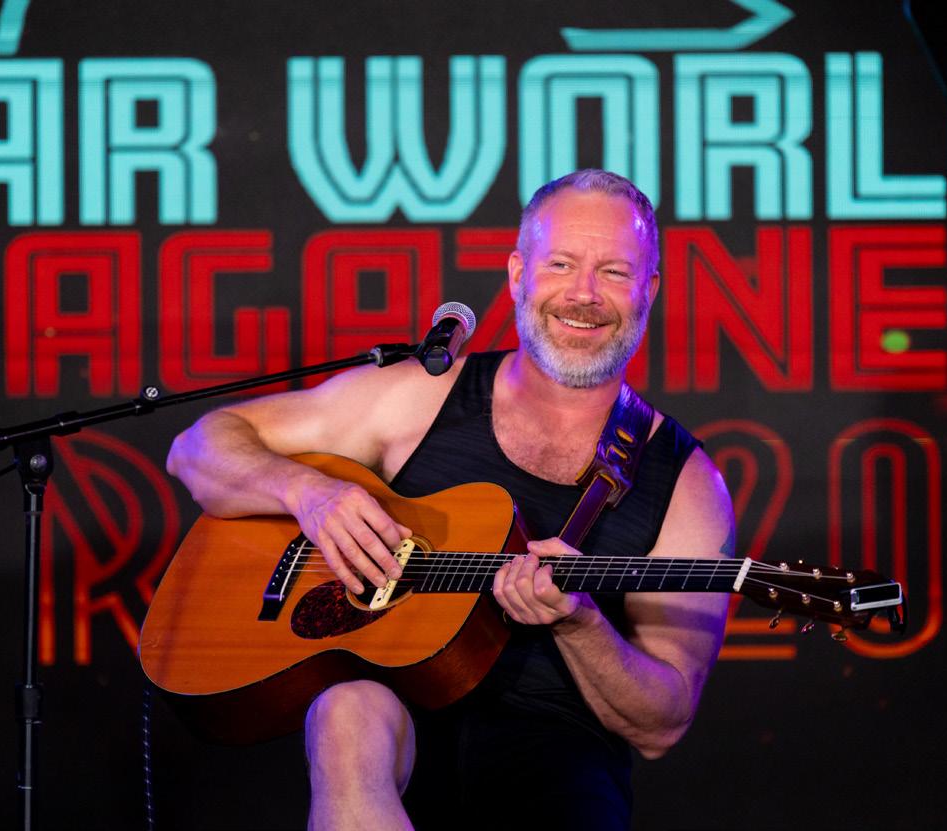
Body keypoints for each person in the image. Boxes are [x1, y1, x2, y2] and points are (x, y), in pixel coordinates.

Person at [166, 169, 735, 830]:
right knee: (347, 711)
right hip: (400, 736)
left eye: (613, 271)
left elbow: (663, 721)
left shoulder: (687, 483)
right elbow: (198, 448)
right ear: (518, 275)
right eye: (560, 264)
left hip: (559, 766)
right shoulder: (418, 396)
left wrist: (581, 622)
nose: (583, 293)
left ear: (649, 290)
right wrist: (308, 492)